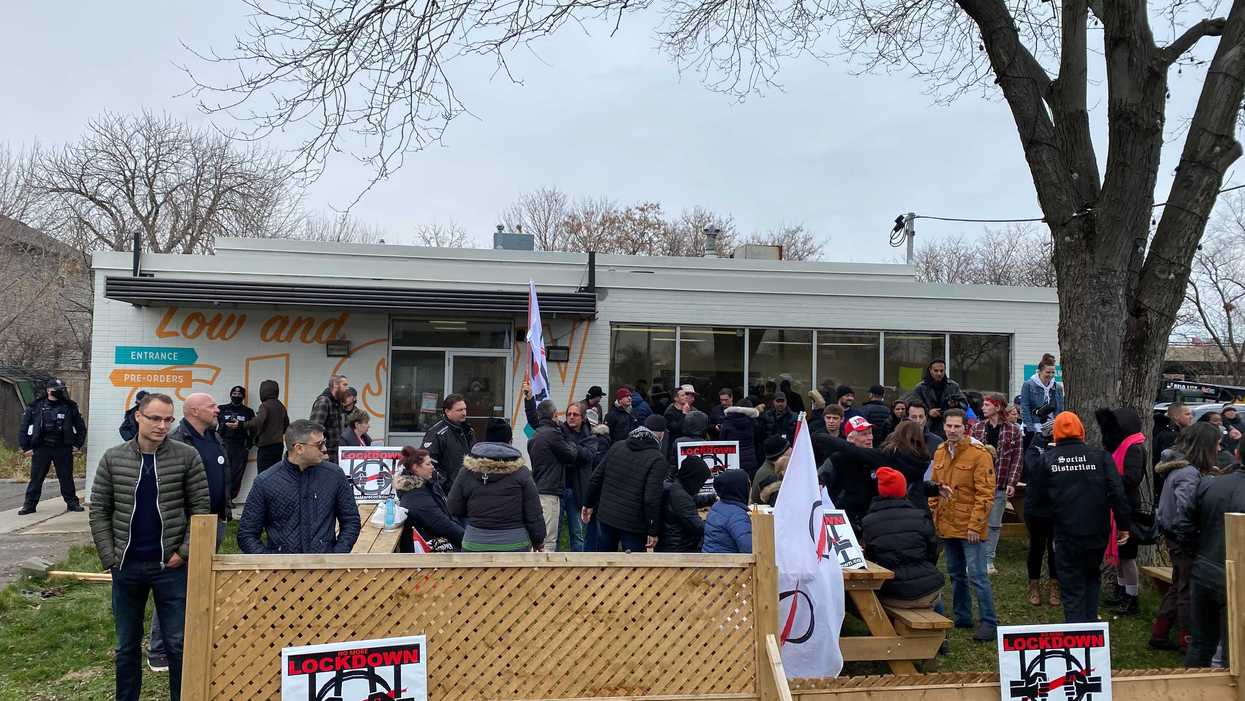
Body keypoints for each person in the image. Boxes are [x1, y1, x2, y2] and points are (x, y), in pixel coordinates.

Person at [89, 392, 210, 701]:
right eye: (155, 418)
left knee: (177, 644)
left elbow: (200, 510)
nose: (162, 425)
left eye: (168, 419)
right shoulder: (113, 458)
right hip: (126, 567)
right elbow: (100, 509)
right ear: (138, 417)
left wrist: (182, 553)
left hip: (169, 568)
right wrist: (110, 556)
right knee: (126, 645)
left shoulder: (186, 456)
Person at [152, 392, 231, 672]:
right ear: (195, 411)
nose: (217, 409)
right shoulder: (175, 441)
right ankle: (159, 650)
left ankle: (190, 639)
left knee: (200, 584)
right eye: (212, 406)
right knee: (175, 587)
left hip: (215, 521)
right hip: (187, 526)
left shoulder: (213, 437)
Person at [1034, 412, 1131, 624]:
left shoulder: (1047, 460)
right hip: (1096, 530)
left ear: (1055, 433)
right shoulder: (1100, 457)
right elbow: (1117, 492)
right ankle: (1089, 625)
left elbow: (1036, 501)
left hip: (1065, 532)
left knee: (1070, 584)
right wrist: (1123, 525)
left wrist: (1043, 529)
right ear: (1081, 431)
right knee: (1091, 575)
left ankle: (1077, 632)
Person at [237, 420, 361, 555]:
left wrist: (336, 556)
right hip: (281, 572)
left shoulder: (334, 475)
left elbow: (351, 520)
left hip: (325, 570)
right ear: (299, 448)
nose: (325, 449)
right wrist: (272, 564)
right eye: (319, 445)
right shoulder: (265, 482)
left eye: (324, 442)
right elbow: (247, 534)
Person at [1152, 423, 1224, 652]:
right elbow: (1187, 511)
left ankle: (1160, 633)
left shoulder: (1184, 470)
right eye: (1217, 444)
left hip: (1175, 536)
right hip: (1183, 539)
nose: (1220, 448)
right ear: (1206, 446)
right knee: (1187, 589)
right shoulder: (1189, 474)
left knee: (1177, 586)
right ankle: (1188, 639)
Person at [1172, 444, 1245, 667]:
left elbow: (1184, 525)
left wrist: (1196, 555)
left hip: (1205, 569)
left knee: (1201, 645)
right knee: (1235, 653)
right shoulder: (1209, 483)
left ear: (1237, 453)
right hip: (1229, 573)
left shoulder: (1209, 484)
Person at [929, 409, 997, 641]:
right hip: (947, 524)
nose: (952, 430)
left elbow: (986, 494)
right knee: (956, 574)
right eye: (949, 426)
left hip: (970, 527)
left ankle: (989, 622)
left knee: (978, 575)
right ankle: (962, 616)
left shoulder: (979, 454)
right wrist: (934, 513)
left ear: (965, 428)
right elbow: (935, 486)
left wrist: (975, 526)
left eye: (957, 426)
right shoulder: (939, 452)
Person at [582, 415, 669, 552]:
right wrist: (653, 529)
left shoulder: (617, 446)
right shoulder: (657, 459)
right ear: (661, 435)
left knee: (605, 565)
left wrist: (588, 504)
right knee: (632, 569)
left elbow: (596, 478)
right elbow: (651, 499)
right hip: (633, 523)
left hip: (606, 515)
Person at [863, 467, 945, 609]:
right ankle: (942, 629)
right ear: (904, 489)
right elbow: (933, 550)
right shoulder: (920, 516)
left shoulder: (869, 522)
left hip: (892, 591)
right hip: (928, 585)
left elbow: (870, 558)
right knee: (935, 597)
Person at [1096, 407, 1148, 616]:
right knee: (1120, 554)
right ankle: (1121, 590)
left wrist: (1111, 482)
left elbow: (1133, 478)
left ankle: (1132, 597)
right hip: (1117, 505)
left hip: (1127, 506)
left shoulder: (1134, 448)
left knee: (1127, 556)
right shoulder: (1123, 446)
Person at [447, 441, 546, 552]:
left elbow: (453, 507)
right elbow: (533, 512)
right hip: (514, 544)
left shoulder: (466, 472)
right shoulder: (521, 473)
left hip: (475, 543)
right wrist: (538, 541)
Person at [970, 393, 1023, 575]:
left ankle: (988, 560)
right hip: (978, 484)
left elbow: (1017, 457)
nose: (983, 407)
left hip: (1000, 483)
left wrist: (1012, 482)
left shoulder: (1013, 430)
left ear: (998, 407)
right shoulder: (977, 429)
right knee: (976, 521)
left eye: (987, 405)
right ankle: (974, 560)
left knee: (994, 523)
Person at [18, 377, 86, 515]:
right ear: (49, 390)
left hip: (62, 447)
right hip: (41, 448)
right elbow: (24, 427)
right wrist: (26, 447)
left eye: (62, 390)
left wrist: (77, 444)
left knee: (66, 477)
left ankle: (72, 503)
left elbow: (81, 428)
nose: (60, 392)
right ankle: (29, 505)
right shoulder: (36, 406)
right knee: (36, 478)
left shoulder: (69, 407)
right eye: (57, 390)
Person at [526, 398, 580, 552]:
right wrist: (570, 441)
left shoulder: (535, 435)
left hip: (539, 488)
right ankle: (543, 575)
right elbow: (570, 455)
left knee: (538, 538)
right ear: (554, 414)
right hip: (549, 492)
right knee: (548, 540)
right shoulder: (553, 434)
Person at [562, 401, 612, 552]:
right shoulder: (559, 432)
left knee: (577, 534)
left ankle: (579, 571)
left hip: (577, 489)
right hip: (558, 487)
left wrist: (568, 446)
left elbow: (587, 455)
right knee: (553, 535)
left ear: (582, 418)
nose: (571, 417)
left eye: (575, 414)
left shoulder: (590, 436)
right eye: (569, 414)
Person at [395, 446, 464, 551]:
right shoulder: (416, 496)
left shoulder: (427, 486)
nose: (432, 467)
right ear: (415, 467)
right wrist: (468, 540)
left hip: (435, 541)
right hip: (427, 551)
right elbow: (441, 524)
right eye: (428, 464)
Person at [1022, 421, 1059, 607]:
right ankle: (1034, 585)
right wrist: (1050, 452)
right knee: (1036, 547)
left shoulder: (1065, 446)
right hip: (1035, 506)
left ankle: (1055, 586)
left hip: (1057, 506)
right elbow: (1033, 468)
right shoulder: (1035, 443)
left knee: (1055, 549)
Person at [656, 454, 711, 552]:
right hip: (679, 548)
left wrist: (712, 498)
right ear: (693, 478)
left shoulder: (675, 487)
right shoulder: (680, 496)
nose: (701, 486)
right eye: (701, 482)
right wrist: (718, 525)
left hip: (670, 544)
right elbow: (697, 526)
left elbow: (690, 500)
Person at [422, 393, 475, 487]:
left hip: (467, 487)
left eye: (465, 409)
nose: (464, 413)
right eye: (459, 410)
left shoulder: (468, 431)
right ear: (447, 411)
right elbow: (427, 463)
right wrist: (444, 483)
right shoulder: (436, 433)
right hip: (447, 490)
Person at [218, 385, 255, 502]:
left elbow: (254, 429)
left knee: (236, 474)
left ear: (243, 397)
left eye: (239, 395)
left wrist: (249, 445)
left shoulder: (248, 412)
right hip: (223, 445)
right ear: (230, 395)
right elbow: (213, 425)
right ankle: (220, 498)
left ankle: (230, 499)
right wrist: (224, 425)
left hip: (240, 446)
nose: (236, 396)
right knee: (222, 472)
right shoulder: (221, 409)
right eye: (234, 394)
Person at [702, 469, 752, 553]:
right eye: (748, 485)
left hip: (711, 561)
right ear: (740, 488)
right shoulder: (737, 515)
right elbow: (749, 549)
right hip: (727, 564)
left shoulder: (718, 505)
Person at [912, 360, 965, 438]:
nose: (939, 373)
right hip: (927, 427)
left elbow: (964, 405)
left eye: (941, 371)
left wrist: (955, 405)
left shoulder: (953, 386)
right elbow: (914, 406)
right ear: (930, 370)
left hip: (948, 427)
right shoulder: (920, 388)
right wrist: (928, 412)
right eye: (936, 371)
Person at [1020, 361, 1063, 450]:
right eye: (1048, 372)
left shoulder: (1057, 387)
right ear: (1039, 371)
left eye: (1053, 372)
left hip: (1051, 427)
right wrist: (1030, 428)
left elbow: (1059, 408)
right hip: (1034, 425)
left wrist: (1058, 426)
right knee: (1032, 454)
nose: (1051, 375)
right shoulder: (1028, 384)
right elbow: (1025, 407)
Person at [251, 379, 288, 473]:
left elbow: (259, 422)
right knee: (275, 473)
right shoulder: (281, 406)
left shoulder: (265, 405)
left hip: (266, 446)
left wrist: (243, 425)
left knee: (263, 474)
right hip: (278, 446)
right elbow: (286, 425)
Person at [309, 374, 350, 459]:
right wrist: (321, 452)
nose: (347, 388)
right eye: (344, 385)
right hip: (326, 454)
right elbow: (314, 430)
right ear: (335, 385)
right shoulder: (324, 402)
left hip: (338, 453)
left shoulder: (339, 403)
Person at [720, 398, 762, 477]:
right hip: (750, 461)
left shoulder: (727, 422)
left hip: (732, 461)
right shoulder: (753, 423)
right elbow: (758, 440)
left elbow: (722, 442)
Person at [751, 435, 790, 505]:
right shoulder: (768, 475)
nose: (792, 449)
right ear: (782, 456)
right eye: (789, 448)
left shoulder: (773, 467)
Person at [1154, 402, 1192, 466]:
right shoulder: (1170, 436)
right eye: (1187, 414)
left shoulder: (1175, 433)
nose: (1191, 417)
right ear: (1176, 416)